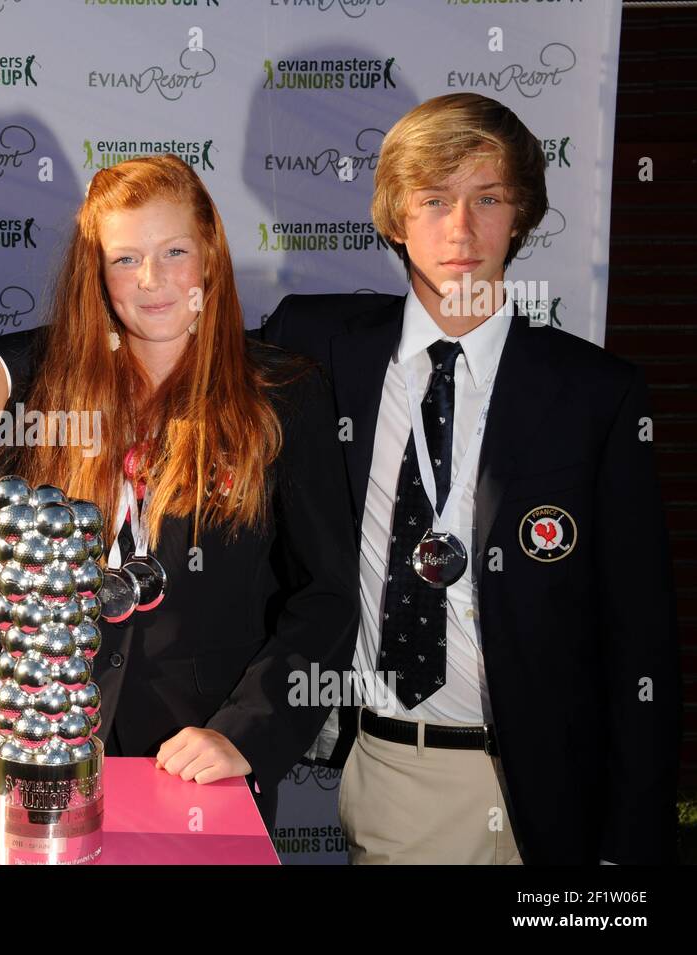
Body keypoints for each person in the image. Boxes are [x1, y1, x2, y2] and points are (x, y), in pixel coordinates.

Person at [263, 93, 680, 864]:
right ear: (394, 215)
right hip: (396, 775)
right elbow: (154, 337)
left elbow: (641, 635)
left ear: (519, 215)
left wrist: (635, 844)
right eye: (434, 200)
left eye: (488, 198)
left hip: (557, 786)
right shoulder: (315, 345)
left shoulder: (595, 392)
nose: (461, 230)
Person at [0, 155, 359, 829]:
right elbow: (32, 352)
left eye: (174, 252)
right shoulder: (55, 393)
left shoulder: (283, 395)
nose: (153, 280)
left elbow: (330, 596)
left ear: (211, 260)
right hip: (54, 749)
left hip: (201, 758)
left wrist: (246, 730)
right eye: (126, 260)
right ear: (98, 277)